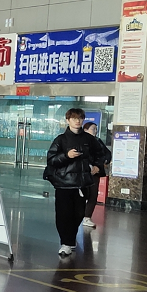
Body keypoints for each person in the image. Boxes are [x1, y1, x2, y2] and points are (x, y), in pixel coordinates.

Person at [44, 108, 106, 257]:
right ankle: (66, 242)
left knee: (79, 213)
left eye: (80, 118)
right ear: (68, 120)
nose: (77, 121)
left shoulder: (89, 139)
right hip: (64, 183)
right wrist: (67, 156)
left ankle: (70, 239)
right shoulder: (60, 140)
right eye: (74, 118)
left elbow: (102, 153)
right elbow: (51, 159)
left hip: (82, 183)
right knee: (63, 214)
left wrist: (97, 165)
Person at [82, 122, 112, 229]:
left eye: (96, 129)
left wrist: (102, 163)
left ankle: (87, 217)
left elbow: (106, 153)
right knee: (82, 194)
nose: (95, 131)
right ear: (85, 130)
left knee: (93, 194)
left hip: (96, 172)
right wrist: (90, 166)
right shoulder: (81, 141)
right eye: (93, 129)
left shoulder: (98, 141)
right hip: (84, 171)